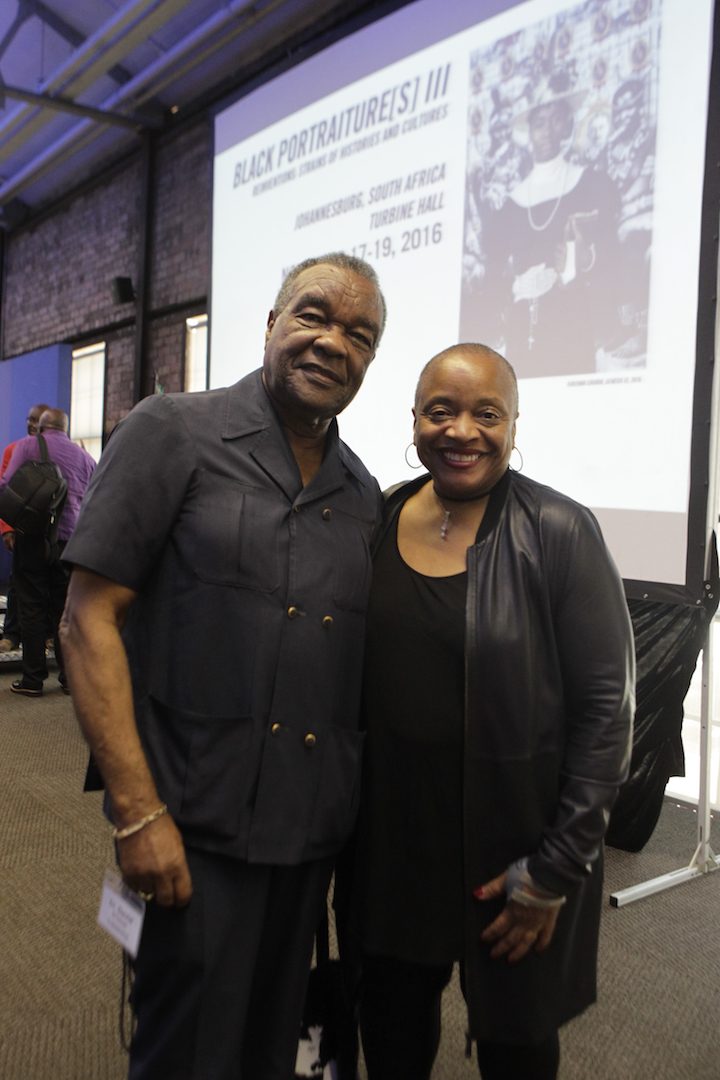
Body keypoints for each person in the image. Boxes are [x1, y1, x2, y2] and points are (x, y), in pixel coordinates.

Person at [59, 252, 386, 1080]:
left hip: (307, 845)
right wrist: (137, 815)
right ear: (270, 324)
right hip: (189, 831)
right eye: (313, 315)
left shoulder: (361, 493)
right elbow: (87, 618)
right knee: (186, 1056)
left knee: (272, 1055)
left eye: (359, 334)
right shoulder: (173, 431)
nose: (331, 343)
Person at [356, 344, 635, 1080]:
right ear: (414, 420)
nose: (461, 431)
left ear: (514, 425)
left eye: (487, 414)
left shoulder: (559, 531)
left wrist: (557, 868)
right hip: (388, 850)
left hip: (512, 851)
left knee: (516, 1048)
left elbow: (608, 711)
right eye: (440, 411)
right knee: (389, 1038)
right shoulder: (379, 517)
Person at [461, 86, 621, 378]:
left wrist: (577, 265)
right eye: (539, 123)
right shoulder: (510, 205)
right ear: (528, 132)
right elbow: (493, 276)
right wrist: (516, 286)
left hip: (572, 323)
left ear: (567, 125)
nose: (546, 131)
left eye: (555, 120)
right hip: (523, 330)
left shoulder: (591, 184)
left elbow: (612, 260)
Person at [1, 408, 95, 695]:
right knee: (64, 608)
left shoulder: (27, 446)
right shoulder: (82, 455)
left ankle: (33, 679)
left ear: (41, 426)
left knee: (31, 605)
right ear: (66, 427)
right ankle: (69, 677)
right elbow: (96, 488)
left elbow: (8, 485)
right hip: (69, 540)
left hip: (33, 538)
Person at [0, 402, 51, 653]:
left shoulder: (59, 451)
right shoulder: (13, 450)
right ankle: (11, 634)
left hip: (51, 533)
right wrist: (6, 527)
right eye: (29, 419)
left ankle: (46, 636)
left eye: (36, 420)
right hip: (21, 529)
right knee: (16, 584)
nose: (31, 424)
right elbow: (4, 491)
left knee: (49, 585)